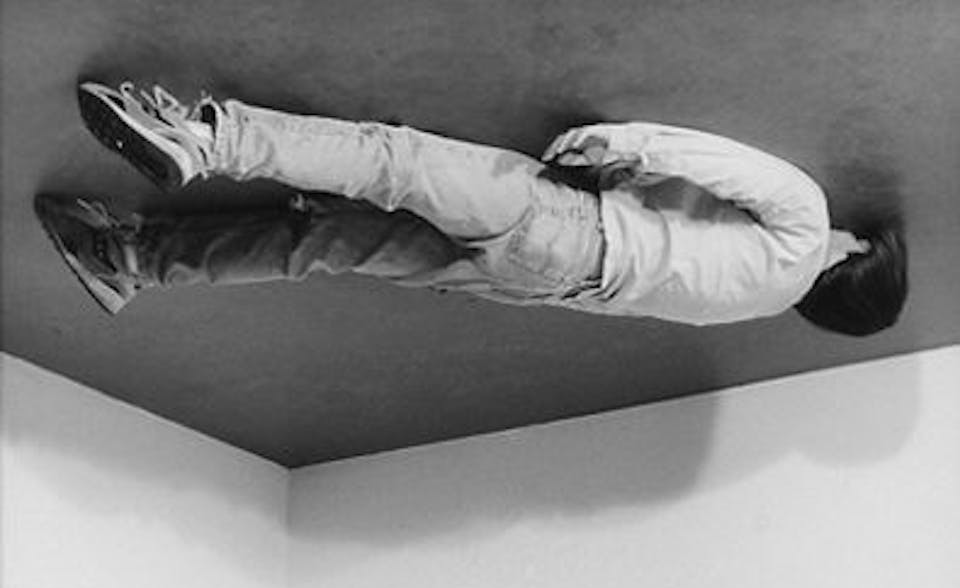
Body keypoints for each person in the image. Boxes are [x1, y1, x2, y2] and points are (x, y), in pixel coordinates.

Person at [35, 81, 907, 334]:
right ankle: (132, 262)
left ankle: (202, 141)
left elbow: (710, 162)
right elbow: (648, 281)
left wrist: (618, 144)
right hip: (550, 284)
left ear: (856, 252)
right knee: (324, 242)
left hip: (565, 226)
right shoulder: (760, 304)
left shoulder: (806, 220)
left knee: (392, 160)